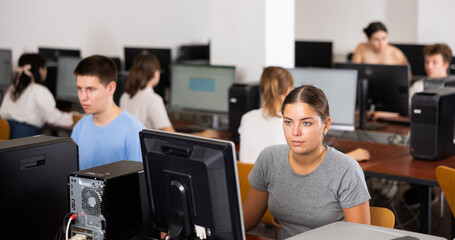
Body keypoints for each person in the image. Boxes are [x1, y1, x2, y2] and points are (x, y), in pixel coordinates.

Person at [242, 85, 371, 239]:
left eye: (306, 123)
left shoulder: (346, 170)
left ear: (326, 125)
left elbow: (361, 238)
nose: (295, 132)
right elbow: (246, 222)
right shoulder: (269, 159)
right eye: (288, 122)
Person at [238, 66, 370, 163]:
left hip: (246, 190)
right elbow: (312, 164)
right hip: (277, 194)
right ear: (289, 91)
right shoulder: (289, 123)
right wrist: (350, 157)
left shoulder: (247, 118)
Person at [71, 55, 145, 170]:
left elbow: (138, 184)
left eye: (91, 89)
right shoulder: (79, 128)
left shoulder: (134, 131)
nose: (83, 97)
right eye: (80, 89)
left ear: (110, 88)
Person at [120, 53, 218, 138]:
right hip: (146, 155)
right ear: (156, 74)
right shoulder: (153, 100)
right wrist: (203, 135)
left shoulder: (125, 96)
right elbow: (172, 136)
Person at [404, 43, 453, 208]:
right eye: (427, 62)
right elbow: (405, 110)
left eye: (434, 62)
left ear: (445, 64)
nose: (429, 66)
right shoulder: (418, 86)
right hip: (420, 137)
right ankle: (419, 191)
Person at [0, 53, 79, 139]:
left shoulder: (12, 88)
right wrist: (73, 117)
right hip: (24, 138)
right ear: (41, 70)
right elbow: (53, 118)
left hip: (5, 136)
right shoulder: (39, 90)